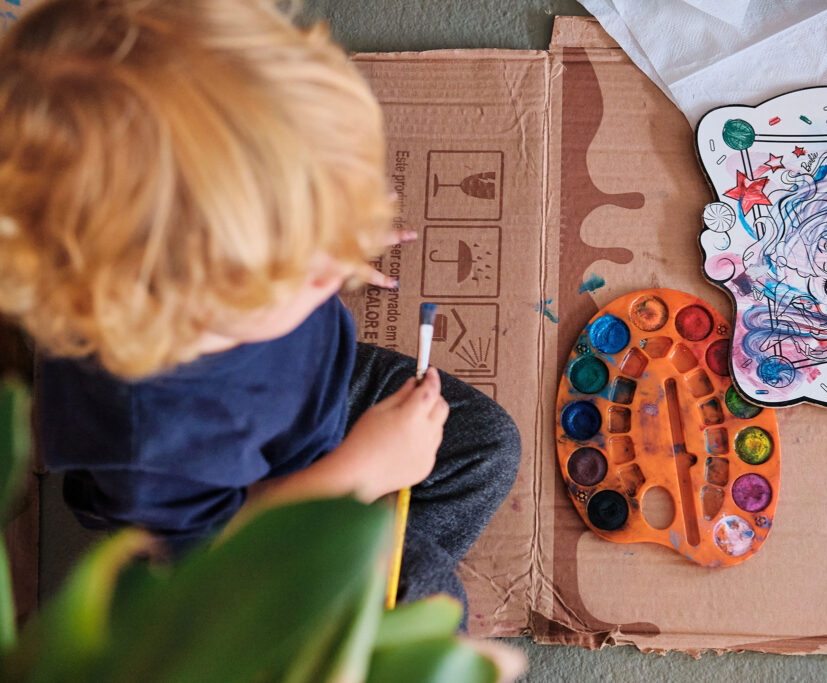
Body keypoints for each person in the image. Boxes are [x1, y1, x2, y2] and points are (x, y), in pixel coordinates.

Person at [0, 0, 520, 616]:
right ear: (182, 300)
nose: (339, 254)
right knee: (427, 592)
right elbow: (206, 558)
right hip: (246, 521)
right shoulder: (148, 437)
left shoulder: (213, 282)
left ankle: (358, 572)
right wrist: (359, 473)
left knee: (487, 444)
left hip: (308, 396)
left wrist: (318, 241)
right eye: (305, 261)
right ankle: (340, 602)